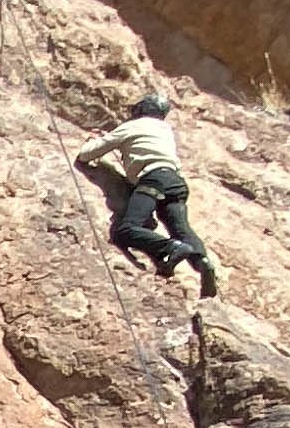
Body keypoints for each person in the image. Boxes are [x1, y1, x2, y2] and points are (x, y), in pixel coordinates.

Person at [73, 87, 221, 293]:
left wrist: (89, 146)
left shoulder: (134, 126)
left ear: (142, 110)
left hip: (153, 180)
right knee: (181, 228)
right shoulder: (165, 130)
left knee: (126, 230)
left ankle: (171, 248)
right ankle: (202, 261)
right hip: (175, 182)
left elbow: (88, 154)